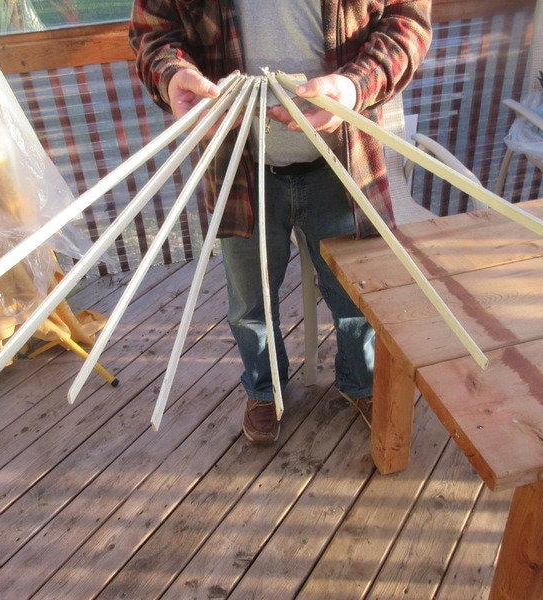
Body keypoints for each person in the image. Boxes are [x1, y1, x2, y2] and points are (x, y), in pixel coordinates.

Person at [129, 0, 432, 444]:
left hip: (343, 161)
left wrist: (353, 86)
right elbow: (153, 33)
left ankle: (362, 382)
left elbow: (407, 22)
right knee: (251, 303)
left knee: (355, 299)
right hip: (239, 168)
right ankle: (263, 389)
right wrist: (172, 73)